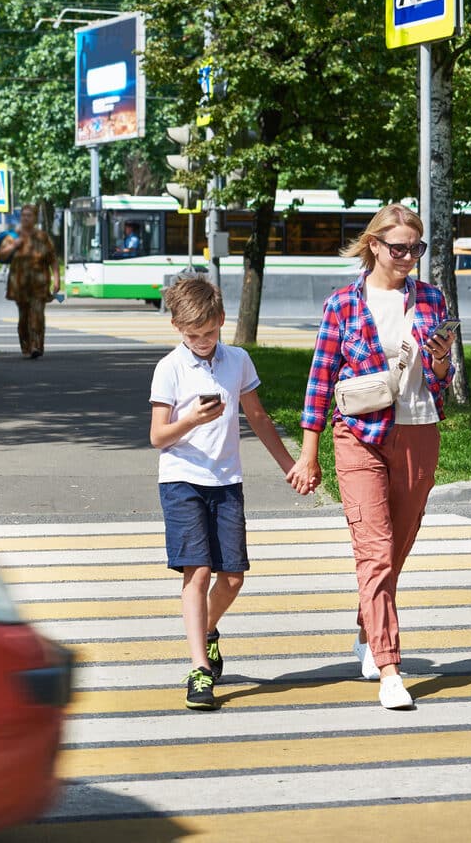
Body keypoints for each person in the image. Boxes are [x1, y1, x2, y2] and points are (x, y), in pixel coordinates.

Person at [287, 203, 457, 710]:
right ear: (375, 246)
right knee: (375, 551)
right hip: (358, 433)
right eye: (399, 247)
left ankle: (368, 628)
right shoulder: (344, 302)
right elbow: (320, 379)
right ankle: (390, 669)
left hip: (419, 430)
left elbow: (441, 379)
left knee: (396, 550)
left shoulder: (430, 298)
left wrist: (443, 356)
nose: (408, 257)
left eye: (416, 248)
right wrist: (308, 452)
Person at [150, 275, 299, 711]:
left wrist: (291, 465)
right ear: (177, 326)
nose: (202, 341)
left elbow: (258, 417)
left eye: (210, 332)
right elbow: (159, 436)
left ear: (221, 321)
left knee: (232, 576)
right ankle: (200, 669)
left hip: (226, 481)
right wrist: (192, 420)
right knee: (196, 572)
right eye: (192, 334)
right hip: (181, 479)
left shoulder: (238, 361)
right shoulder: (170, 367)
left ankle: (208, 629)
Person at [0, 203, 60, 359]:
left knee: (37, 315)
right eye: (23, 215)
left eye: (29, 215)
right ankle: (26, 346)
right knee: (23, 318)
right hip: (20, 285)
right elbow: (1, 255)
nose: (25, 218)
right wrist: (13, 247)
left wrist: (57, 280)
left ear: (35, 218)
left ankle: (36, 346)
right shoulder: (13, 236)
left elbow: (53, 259)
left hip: (39, 284)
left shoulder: (43, 237)